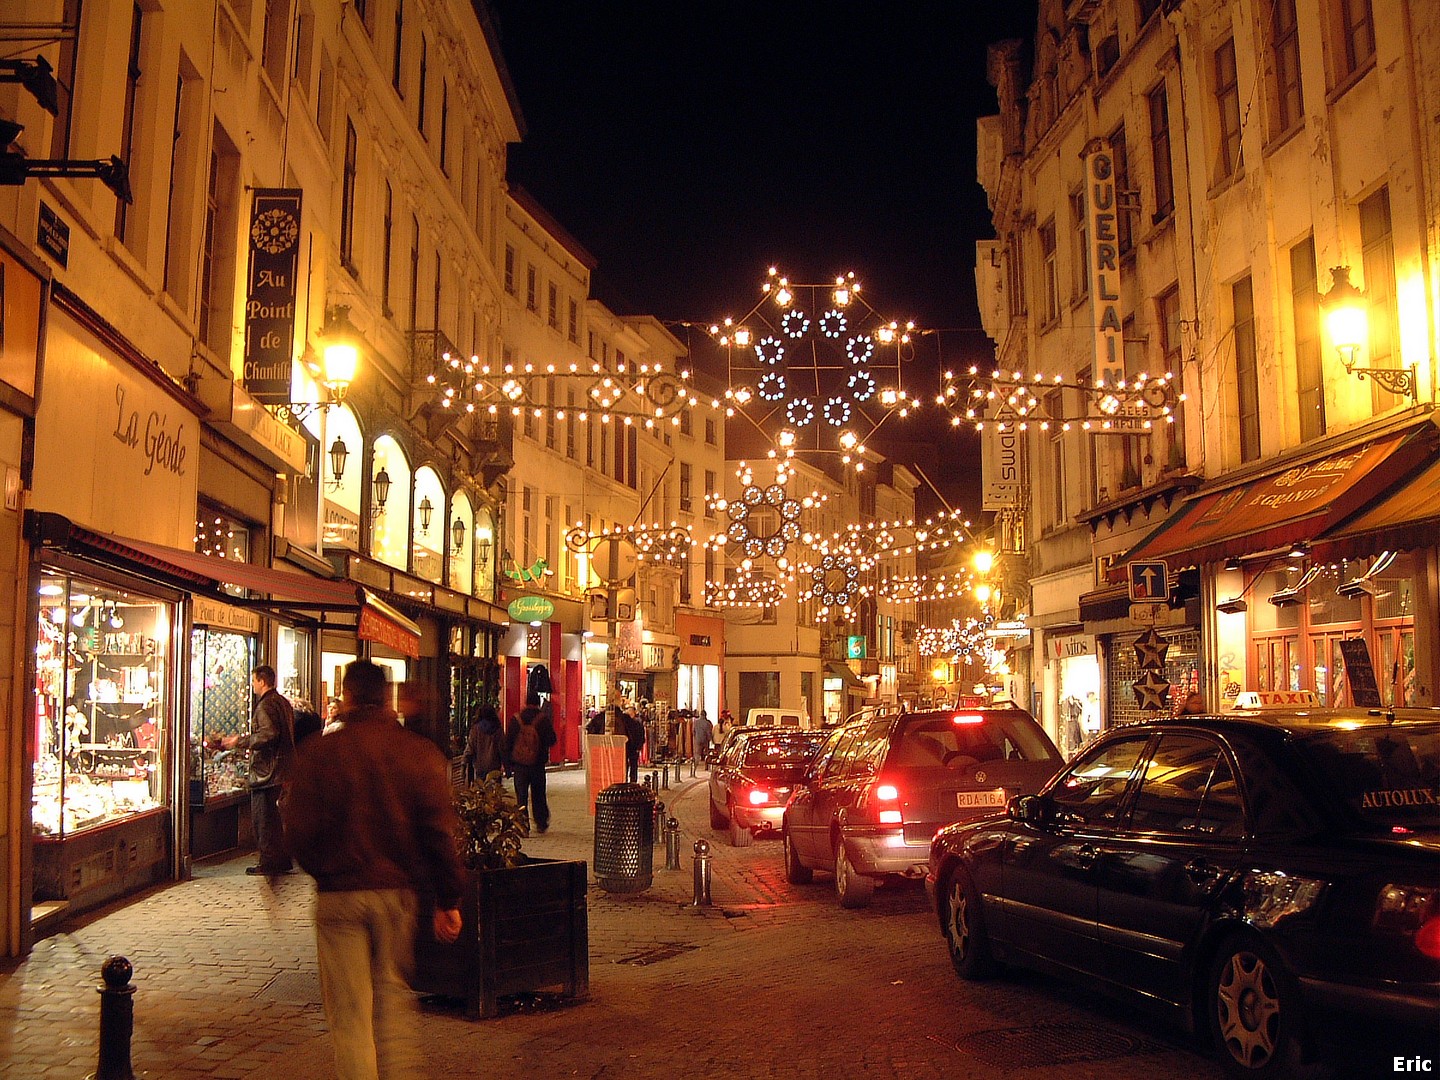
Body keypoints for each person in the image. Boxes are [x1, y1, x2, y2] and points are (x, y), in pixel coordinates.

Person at [282, 659, 463, 1080]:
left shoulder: (321, 752)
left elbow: (296, 828)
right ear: (387, 698)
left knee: (350, 1017)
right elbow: (438, 831)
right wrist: (447, 897)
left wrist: (326, 870)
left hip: (339, 898)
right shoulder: (416, 753)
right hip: (396, 897)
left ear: (347, 696)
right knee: (392, 1005)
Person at [215, 665, 295, 876]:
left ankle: (269, 862)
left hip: (267, 772)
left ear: (262, 681)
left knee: (264, 819)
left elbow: (268, 734)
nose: (252, 685)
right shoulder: (282, 702)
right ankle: (281, 859)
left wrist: (239, 741)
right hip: (281, 769)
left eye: (253, 681)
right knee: (274, 819)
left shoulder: (266, 705)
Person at [504, 693, 556, 832]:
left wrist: (509, 763)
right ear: (538, 703)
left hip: (520, 765)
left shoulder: (516, 719)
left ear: (525, 702)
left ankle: (523, 824)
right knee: (538, 794)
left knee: (521, 796)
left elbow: (508, 741)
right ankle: (541, 822)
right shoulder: (543, 719)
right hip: (537, 764)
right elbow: (552, 739)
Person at [463, 705, 503, 782]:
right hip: (494, 768)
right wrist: (507, 767)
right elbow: (503, 749)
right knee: (494, 791)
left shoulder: (475, 729)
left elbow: (470, 748)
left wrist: (464, 763)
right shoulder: (498, 730)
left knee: (480, 790)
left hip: (479, 767)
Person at [622, 705, 646, 784]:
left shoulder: (638, 722)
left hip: (634, 747)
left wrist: (639, 746)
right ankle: (625, 779)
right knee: (625, 765)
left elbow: (641, 735)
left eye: (631, 711)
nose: (629, 713)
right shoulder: (624, 723)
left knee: (633, 765)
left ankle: (633, 781)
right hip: (626, 747)